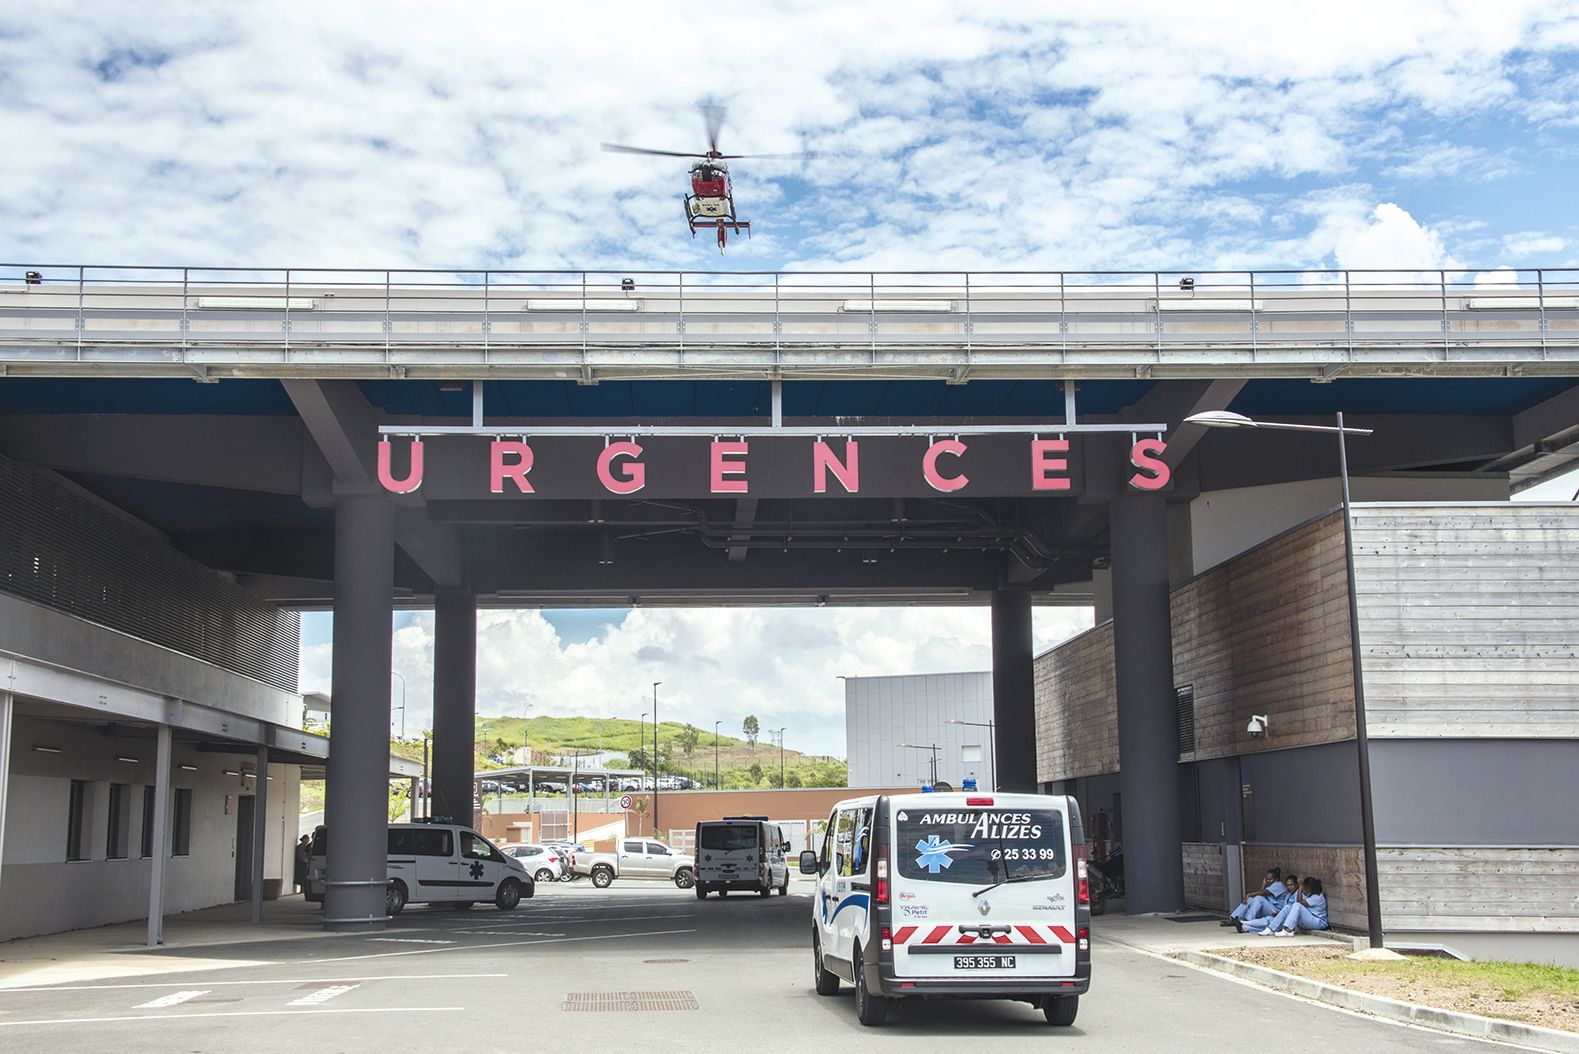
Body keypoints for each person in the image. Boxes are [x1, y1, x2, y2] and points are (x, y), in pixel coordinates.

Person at [1258, 877, 1329, 936]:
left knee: (1297, 905)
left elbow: (1299, 902)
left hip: (1319, 923)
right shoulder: (1311, 895)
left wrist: (1300, 887)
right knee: (1288, 907)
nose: (1305, 889)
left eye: (1305, 887)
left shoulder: (1318, 897)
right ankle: (1271, 929)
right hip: (1311, 921)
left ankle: (1288, 930)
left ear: (1310, 888)